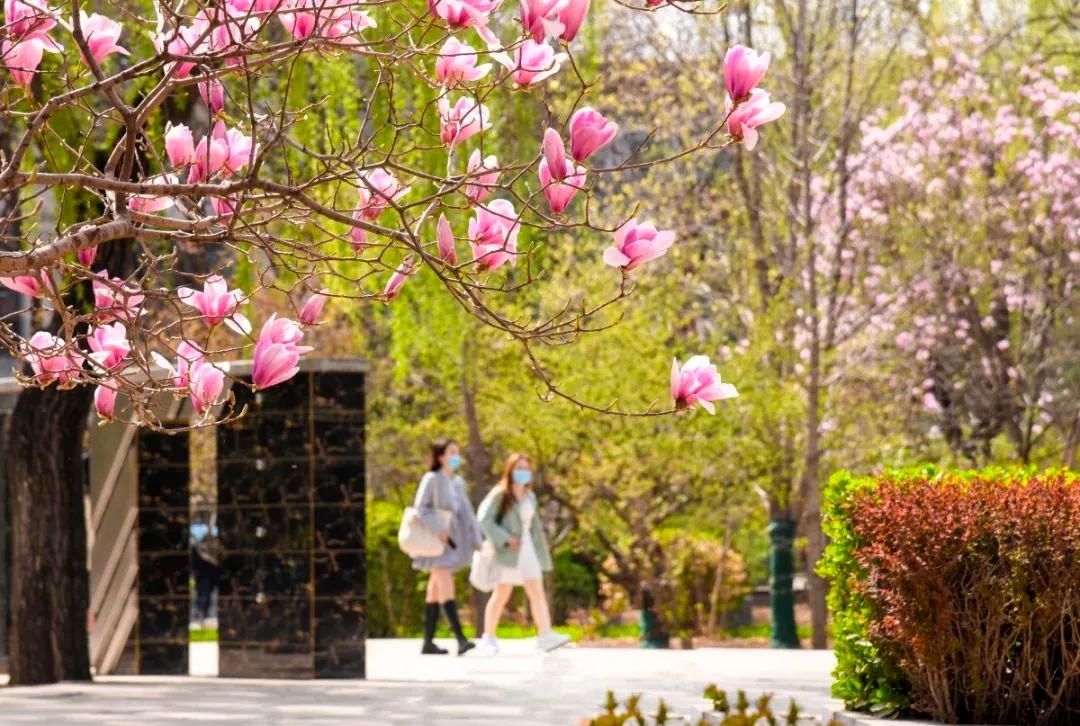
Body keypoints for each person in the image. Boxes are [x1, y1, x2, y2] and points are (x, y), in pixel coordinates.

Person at [478, 453, 570, 654]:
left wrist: (539, 550)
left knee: (536, 589)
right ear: (510, 470)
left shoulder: (530, 496)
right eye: (519, 468)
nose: (523, 472)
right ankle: (489, 637)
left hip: (527, 548)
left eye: (526, 468)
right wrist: (505, 539)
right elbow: (484, 519)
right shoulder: (500, 494)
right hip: (508, 550)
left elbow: (533, 527)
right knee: (502, 592)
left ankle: (545, 634)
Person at [412, 438, 483, 655]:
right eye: (452, 452)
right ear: (441, 456)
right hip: (436, 542)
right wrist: (438, 528)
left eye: (457, 452)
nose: (456, 457)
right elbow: (420, 509)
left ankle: (427, 642)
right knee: (445, 583)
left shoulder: (457, 482)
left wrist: (477, 540)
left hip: (452, 543)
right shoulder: (432, 479)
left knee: (434, 590)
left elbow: (468, 514)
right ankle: (460, 638)